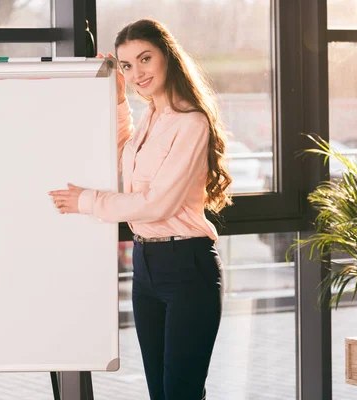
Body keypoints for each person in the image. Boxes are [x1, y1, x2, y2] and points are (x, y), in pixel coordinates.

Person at [48, 18, 232, 400]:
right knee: (160, 394)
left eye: (145, 59)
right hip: (145, 266)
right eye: (128, 65)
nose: (137, 73)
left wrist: (86, 201)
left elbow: (157, 202)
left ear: (167, 55)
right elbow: (125, 159)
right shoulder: (151, 118)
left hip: (187, 268)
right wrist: (118, 100)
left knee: (180, 393)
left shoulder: (192, 122)